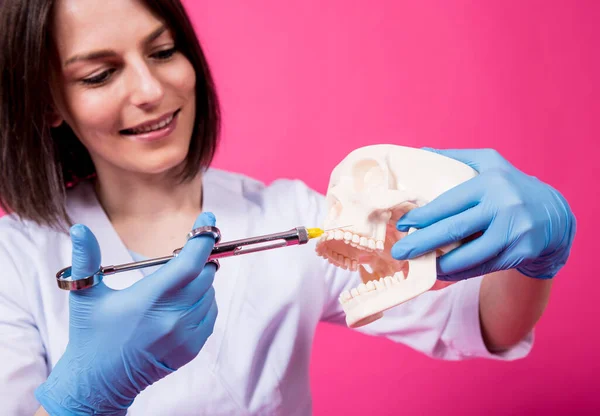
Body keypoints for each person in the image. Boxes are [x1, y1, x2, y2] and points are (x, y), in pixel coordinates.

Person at [0, 0, 576, 415]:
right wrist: (84, 401)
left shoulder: (292, 217)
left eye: (164, 50)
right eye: (100, 74)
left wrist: (532, 259)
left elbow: (481, 323)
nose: (150, 90)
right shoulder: (15, 259)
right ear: (50, 101)